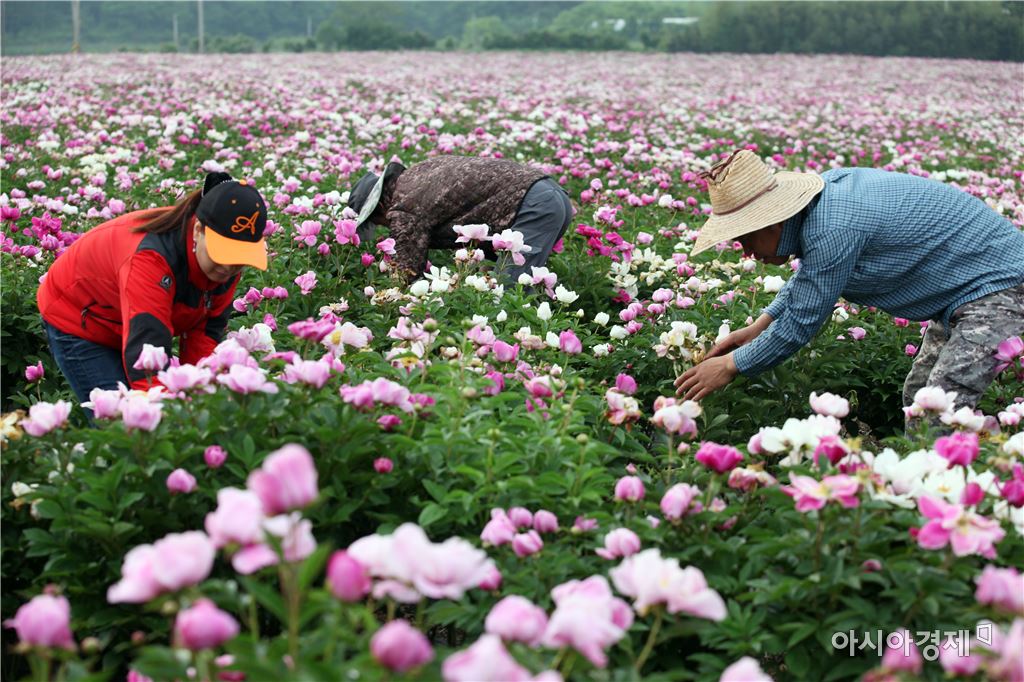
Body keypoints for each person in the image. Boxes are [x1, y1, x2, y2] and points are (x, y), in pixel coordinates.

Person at [674, 149, 1024, 419]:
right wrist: (758, 326)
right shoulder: (823, 204)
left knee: (940, 411)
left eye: (746, 239)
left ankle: (961, 503)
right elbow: (812, 277)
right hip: (963, 290)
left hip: (999, 288)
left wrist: (731, 366)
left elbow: (799, 326)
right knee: (920, 399)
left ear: (771, 222)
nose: (747, 252)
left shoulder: (833, 226)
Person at [37, 172, 269, 408]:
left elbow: (205, 335)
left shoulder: (224, 265)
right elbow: (147, 352)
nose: (229, 267)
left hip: (130, 322)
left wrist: (200, 398)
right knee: (120, 421)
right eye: (224, 253)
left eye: (240, 256)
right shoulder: (151, 259)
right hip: (81, 318)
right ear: (198, 230)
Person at [347, 156, 573, 283]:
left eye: (378, 222)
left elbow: (405, 275)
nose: (386, 227)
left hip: (535, 205)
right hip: (553, 195)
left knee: (510, 290)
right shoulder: (417, 174)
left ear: (381, 207)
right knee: (518, 280)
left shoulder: (404, 208)